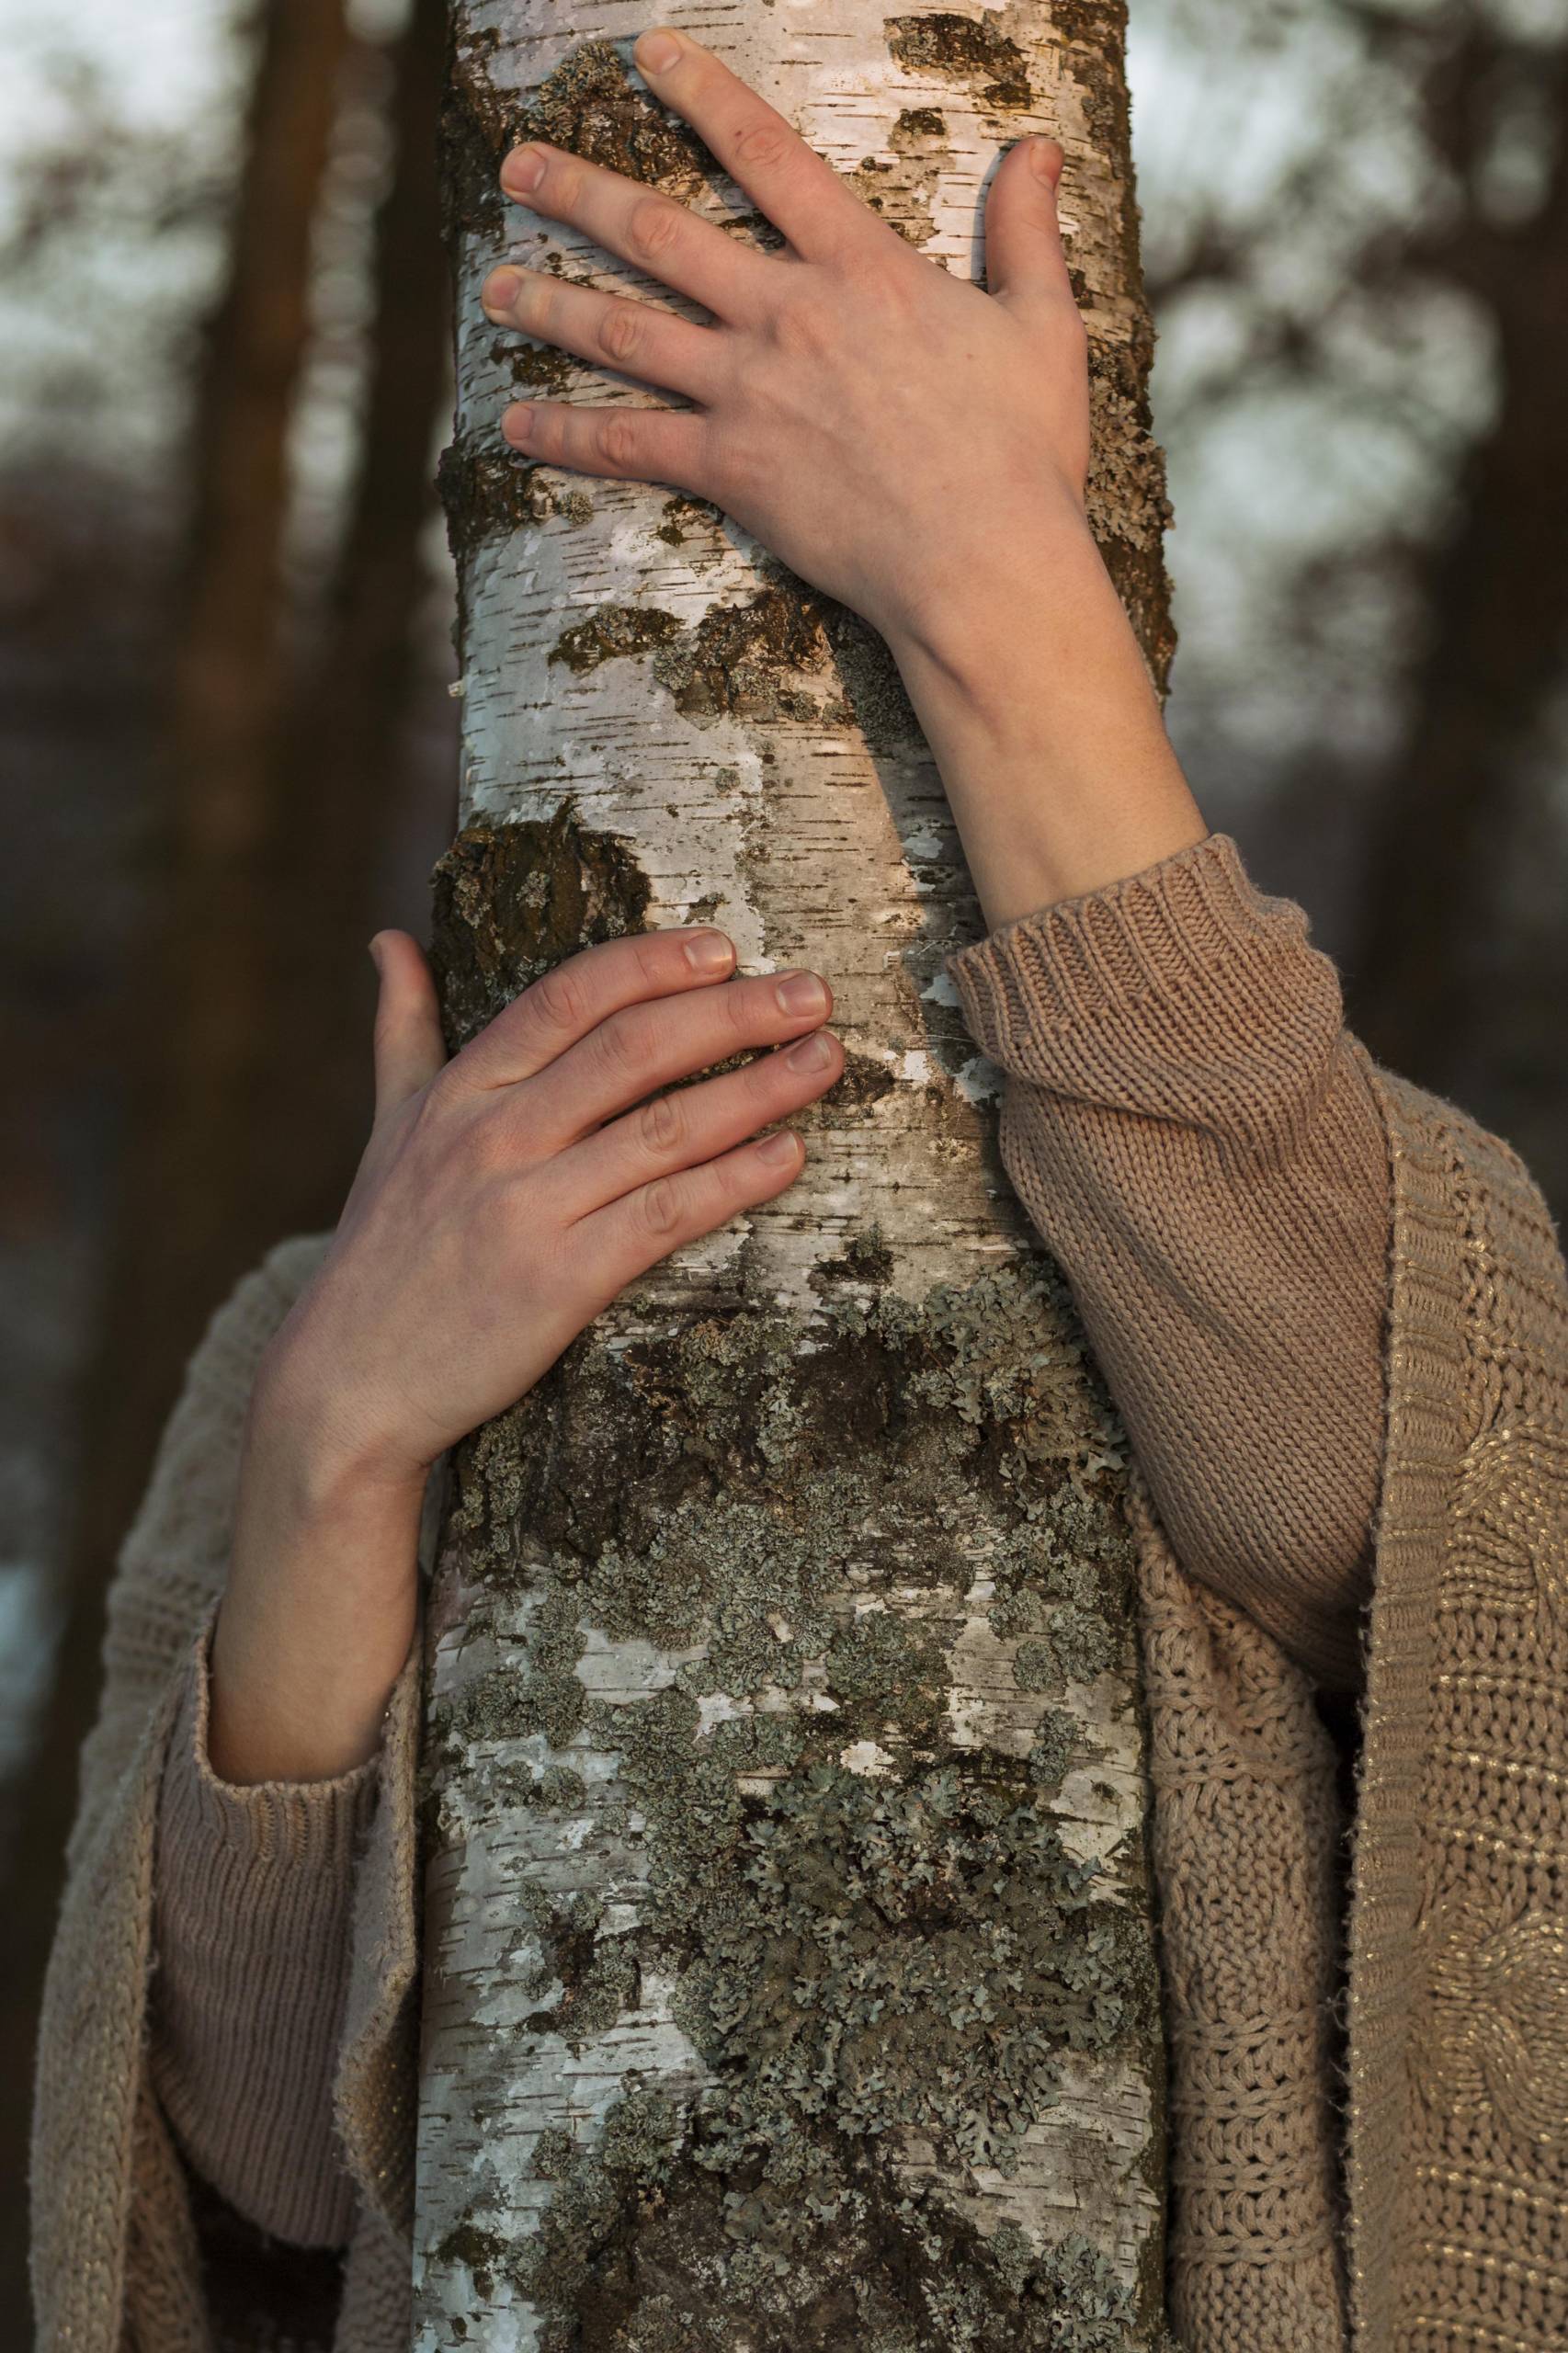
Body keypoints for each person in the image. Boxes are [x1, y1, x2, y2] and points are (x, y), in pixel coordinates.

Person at [30, 25, 1568, 2353]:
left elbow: (1366, 1511)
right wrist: (334, 1452)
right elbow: (264, 2162)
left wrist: (990, 584)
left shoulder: (1335, 1224)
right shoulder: (319, 1332)